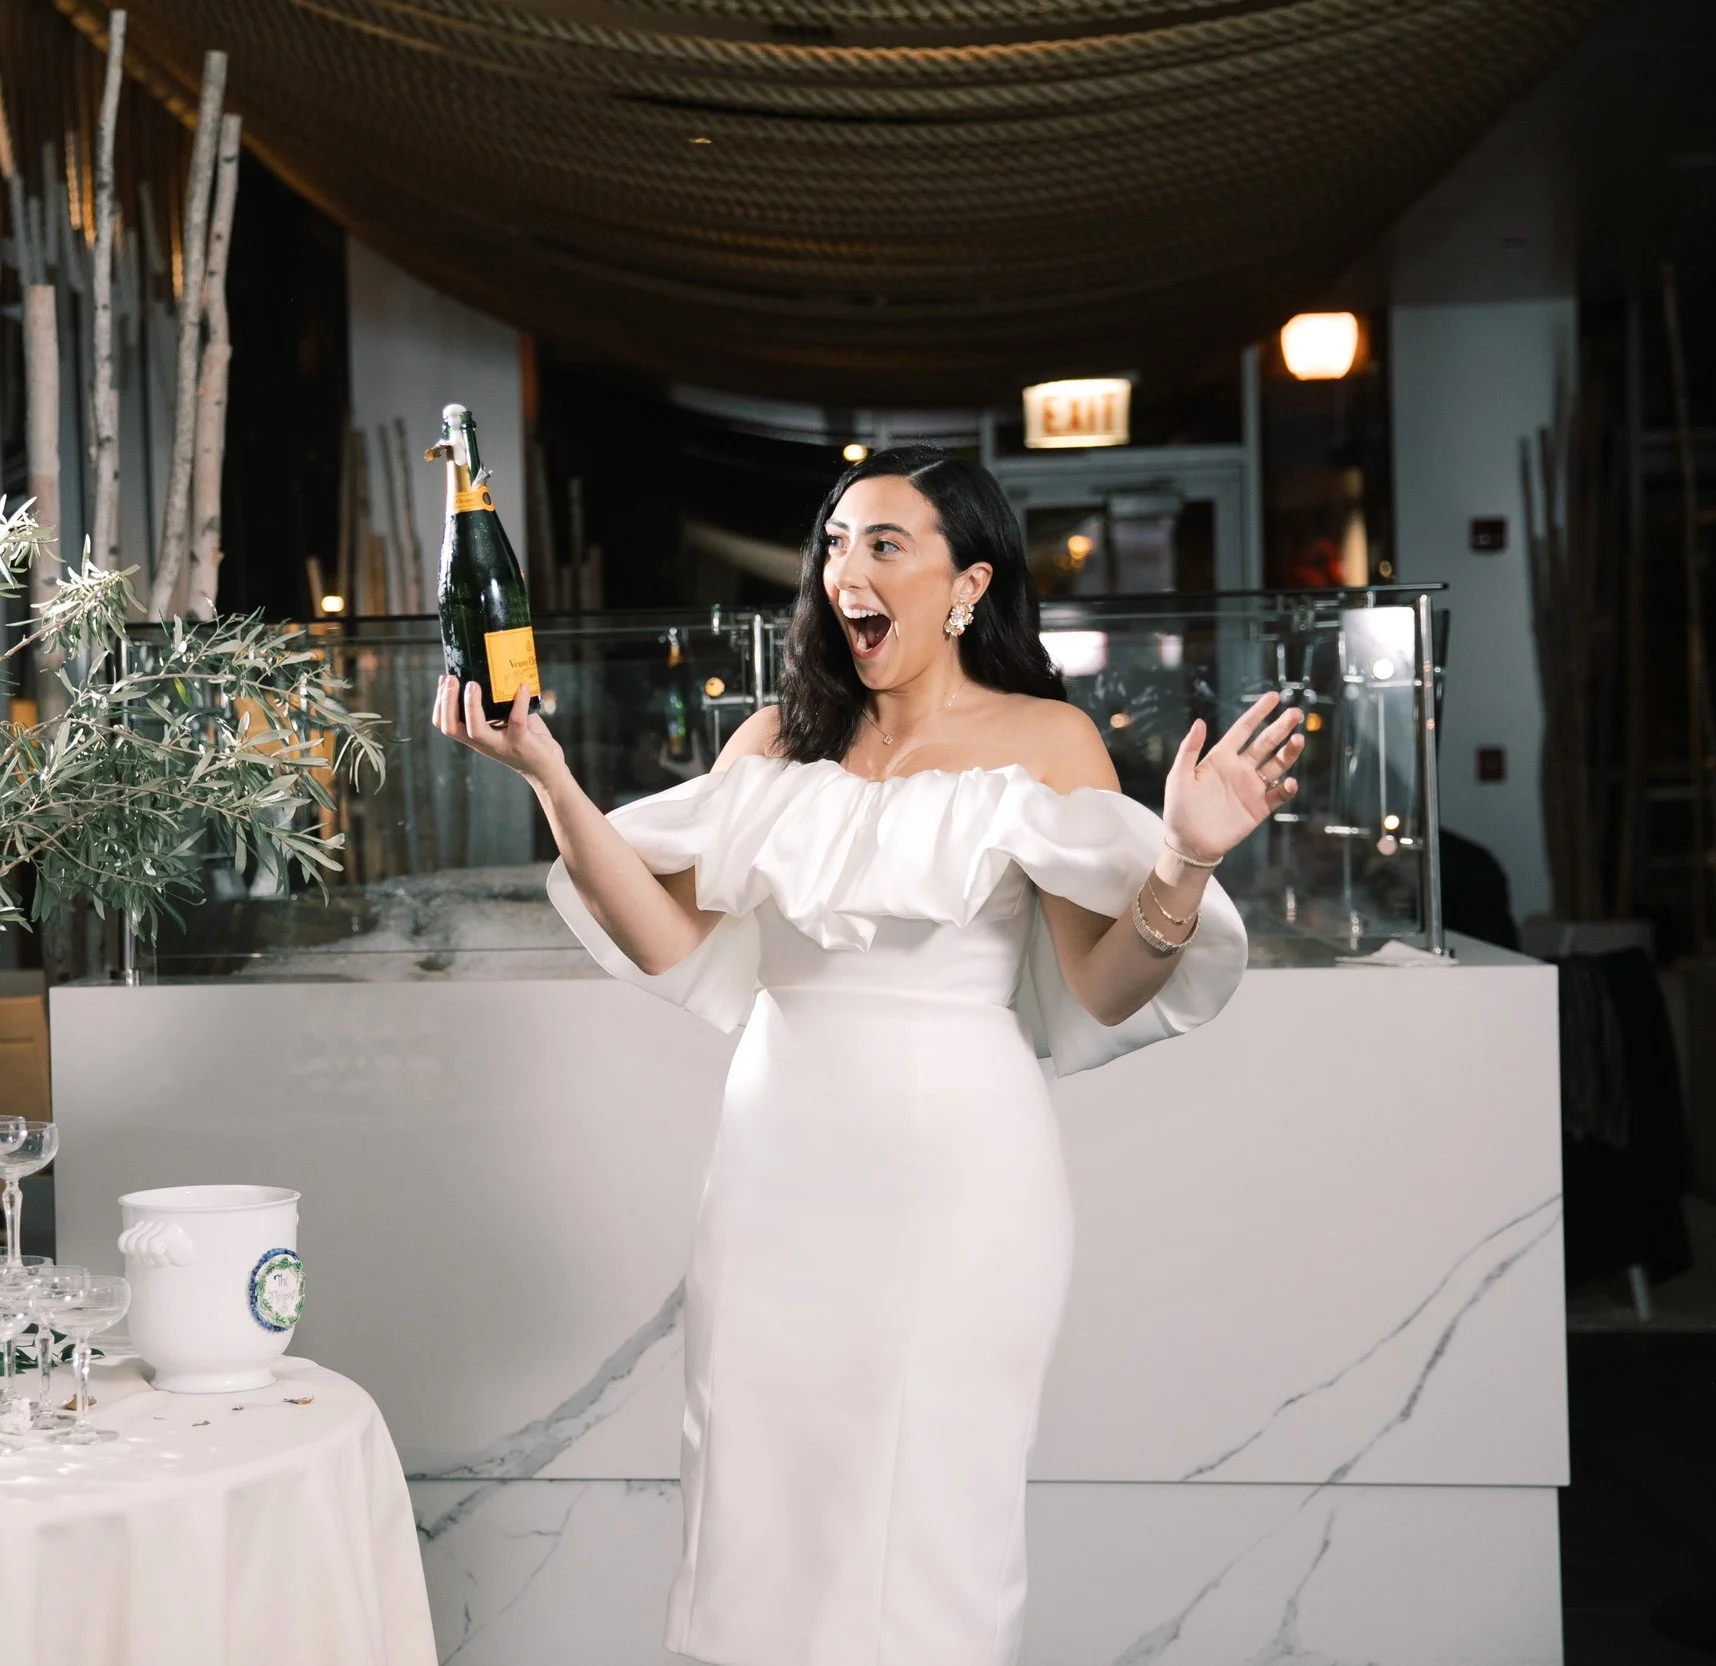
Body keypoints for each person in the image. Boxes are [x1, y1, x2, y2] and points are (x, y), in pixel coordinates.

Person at [434, 445, 1301, 1666]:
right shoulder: (771, 744)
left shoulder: (1045, 740)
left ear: (967, 585)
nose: (847, 569)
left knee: (932, 1516)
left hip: (961, 1184)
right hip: (776, 1167)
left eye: (884, 544)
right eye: (834, 545)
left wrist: (1187, 858)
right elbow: (665, 931)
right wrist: (550, 776)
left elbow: (1107, 989)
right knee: (752, 1503)